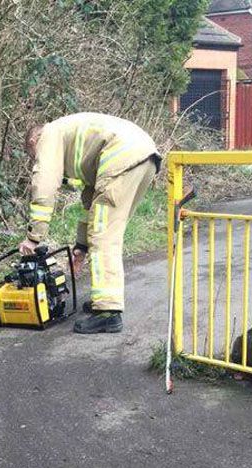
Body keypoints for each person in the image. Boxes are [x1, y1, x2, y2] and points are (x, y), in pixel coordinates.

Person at [20, 113, 161, 335]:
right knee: (108, 230)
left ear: (32, 142)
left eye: (33, 157)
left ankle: (108, 312)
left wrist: (33, 237)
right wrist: (81, 246)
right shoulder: (74, 137)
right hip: (145, 157)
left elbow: (44, 185)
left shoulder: (48, 135)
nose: (35, 160)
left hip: (122, 157)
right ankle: (104, 301)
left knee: (104, 235)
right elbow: (91, 200)